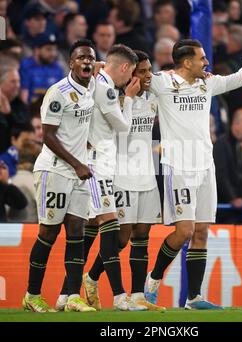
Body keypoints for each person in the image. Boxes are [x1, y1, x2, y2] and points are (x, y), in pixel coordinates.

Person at [144, 26, 242, 309]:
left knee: (201, 232)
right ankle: (152, 282)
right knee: (184, 231)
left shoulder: (207, 84)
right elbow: (134, 74)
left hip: (205, 167)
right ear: (186, 61)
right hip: (178, 166)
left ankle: (194, 297)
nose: (207, 63)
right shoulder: (162, 83)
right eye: (202, 58)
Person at [56, 44, 141, 311]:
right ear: (125, 69)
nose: (130, 81)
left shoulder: (96, 80)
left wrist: (101, 66)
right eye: (130, 74)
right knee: (109, 221)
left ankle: (64, 295)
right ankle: (118, 296)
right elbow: (124, 127)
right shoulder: (104, 88)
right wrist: (128, 98)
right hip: (94, 165)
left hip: (97, 162)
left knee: (90, 229)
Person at [82, 50, 165, 311]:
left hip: (146, 174)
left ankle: (138, 295)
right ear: (129, 74)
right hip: (119, 173)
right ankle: (92, 277)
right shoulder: (114, 99)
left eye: (149, 70)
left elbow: (176, 82)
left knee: (143, 233)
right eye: (142, 72)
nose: (147, 76)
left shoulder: (154, 97)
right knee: (121, 237)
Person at [22, 38, 97, 313]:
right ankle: (32, 295)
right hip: (54, 170)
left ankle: (71, 297)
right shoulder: (58, 93)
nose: (86, 61)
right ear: (70, 63)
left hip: (78, 172)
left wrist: (85, 148)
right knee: (49, 232)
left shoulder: (90, 91)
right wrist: (78, 163)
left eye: (90, 57)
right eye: (80, 58)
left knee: (77, 228)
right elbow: (49, 137)